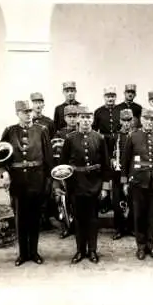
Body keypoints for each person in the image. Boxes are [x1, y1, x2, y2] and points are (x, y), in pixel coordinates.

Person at [0, 100, 53, 266]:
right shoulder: (10, 131)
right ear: (17, 113)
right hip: (18, 182)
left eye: (29, 111)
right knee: (20, 219)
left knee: (35, 218)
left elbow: (48, 157)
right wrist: (4, 172)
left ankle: (34, 253)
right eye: (24, 112)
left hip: (36, 180)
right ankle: (23, 254)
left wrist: (49, 181)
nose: (28, 114)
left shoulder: (42, 130)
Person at [55, 105, 111, 264]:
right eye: (83, 117)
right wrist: (63, 184)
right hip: (76, 185)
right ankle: (80, 250)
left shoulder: (99, 139)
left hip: (95, 185)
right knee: (78, 220)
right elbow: (63, 163)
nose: (86, 121)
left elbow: (106, 165)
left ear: (92, 120)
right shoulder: (70, 139)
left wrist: (105, 187)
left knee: (93, 219)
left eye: (89, 118)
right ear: (78, 119)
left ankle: (92, 250)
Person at [121, 107, 153, 260]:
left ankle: (152, 245)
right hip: (137, 182)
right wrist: (124, 182)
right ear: (141, 119)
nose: (149, 122)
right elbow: (125, 161)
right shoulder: (133, 136)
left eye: (152, 119)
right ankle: (141, 246)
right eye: (146, 119)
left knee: (152, 216)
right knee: (139, 216)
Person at [30, 92, 56, 231]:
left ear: (43, 104)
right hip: (32, 161)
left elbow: (51, 142)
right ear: (32, 104)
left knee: (46, 190)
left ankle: (46, 218)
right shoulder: (28, 121)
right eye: (35, 102)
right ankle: (35, 220)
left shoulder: (49, 122)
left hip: (44, 160)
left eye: (40, 102)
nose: (38, 105)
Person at [52, 104, 79, 239]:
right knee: (63, 200)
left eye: (75, 116)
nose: (73, 120)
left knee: (78, 201)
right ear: (65, 118)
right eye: (70, 117)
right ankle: (67, 227)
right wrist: (59, 175)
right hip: (64, 172)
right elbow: (56, 156)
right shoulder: (59, 134)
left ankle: (79, 227)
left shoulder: (82, 132)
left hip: (79, 173)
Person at [111, 109, 136, 240]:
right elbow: (110, 153)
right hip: (118, 173)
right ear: (120, 121)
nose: (127, 123)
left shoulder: (136, 135)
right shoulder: (115, 136)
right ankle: (119, 228)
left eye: (129, 120)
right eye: (124, 120)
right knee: (117, 201)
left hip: (132, 173)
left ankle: (131, 227)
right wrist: (113, 160)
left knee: (132, 200)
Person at [92, 86, 120, 159]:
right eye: (108, 96)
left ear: (115, 97)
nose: (110, 99)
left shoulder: (120, 110)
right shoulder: (98, 111)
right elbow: (94, 129)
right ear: (104, 97)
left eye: (112, 96)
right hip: (103, 141)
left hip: (118, 140)